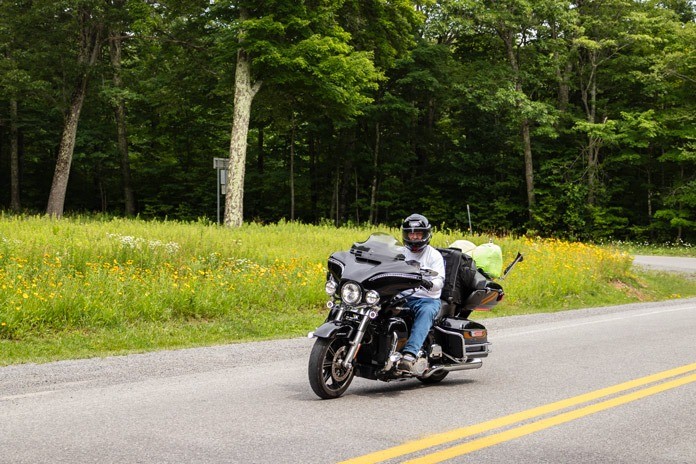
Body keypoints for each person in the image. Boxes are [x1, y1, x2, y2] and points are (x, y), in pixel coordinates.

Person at [397, 213, 445, 373]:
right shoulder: (399, 253)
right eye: (411, 233)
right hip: (401, 297)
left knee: (425, 312)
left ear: (425, 234)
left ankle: (409, 354)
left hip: (426, 299)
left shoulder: (434, 256)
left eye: (418, 234)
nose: (414, 237)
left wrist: (428, 282)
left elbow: (439, 282)